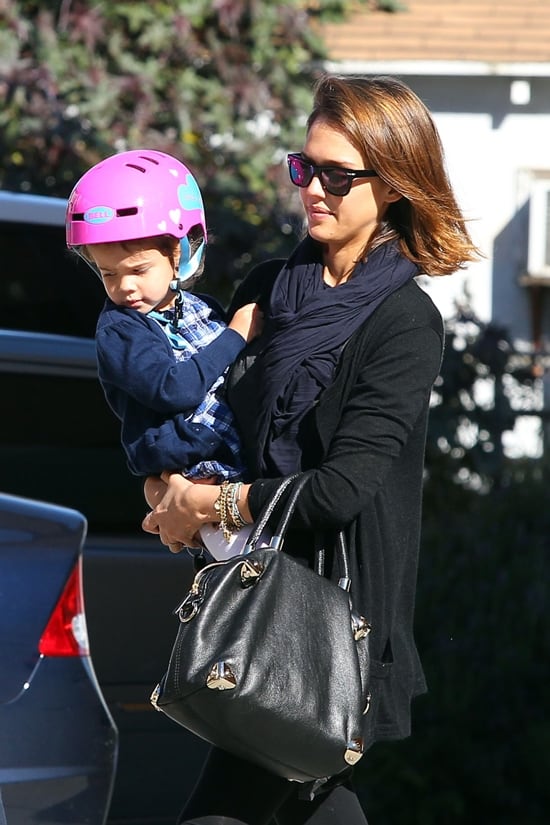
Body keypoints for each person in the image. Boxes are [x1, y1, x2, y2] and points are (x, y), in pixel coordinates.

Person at [142, 74, 481, 825]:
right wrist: (169, 489)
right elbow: (209, 418)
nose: (315, 190)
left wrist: (211, 503)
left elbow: (342, 488)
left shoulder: (403, 325)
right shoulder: (270, 288)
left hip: (328, 628)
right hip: (252, 595)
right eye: (306, 168)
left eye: (339, 175)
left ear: (392, 186)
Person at [65, 149, 263, 558]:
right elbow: (174, 389)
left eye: (138, 270)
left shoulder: (200, 308)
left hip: (225, 459)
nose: (125, 288)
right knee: (248, 570)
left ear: (179, 254)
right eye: (108, 274)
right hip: (191, 461)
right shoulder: (119, 330)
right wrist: (237, 334)